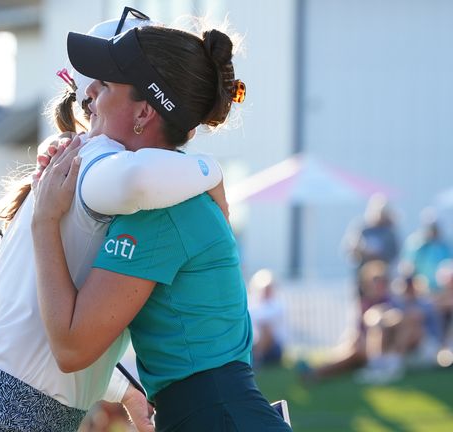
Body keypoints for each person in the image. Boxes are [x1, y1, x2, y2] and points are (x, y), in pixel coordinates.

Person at [0, 10, 229, 432]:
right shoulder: (100, 160)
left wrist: (123, 390)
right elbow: (138, 180)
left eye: (105, 80)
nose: (89, 92)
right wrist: (212, 171)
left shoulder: (80, 157)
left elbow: (39, 333)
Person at [30, 23, 291, 431]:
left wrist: (44, 223)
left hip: (217, 415)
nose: (90, 93)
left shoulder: (161, 209)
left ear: (144, 112)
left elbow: (71, 345)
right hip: (215, 411)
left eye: (105, 83)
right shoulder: (172, 192)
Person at [343, 194, 400, 298]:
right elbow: (350, 249)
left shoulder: (389, 232)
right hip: (363, 279)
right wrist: (361, 250)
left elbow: (395, 253)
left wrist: (379, 255)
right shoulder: (362, 229)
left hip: (383, 279)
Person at [247, 269, 286, 368]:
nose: (267, 291)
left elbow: (263, 320)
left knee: (266, 328)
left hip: (274, 348)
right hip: (253, 345)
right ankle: (256, 358)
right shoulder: (252, 304)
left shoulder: (277, 305)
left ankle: (256, 359)